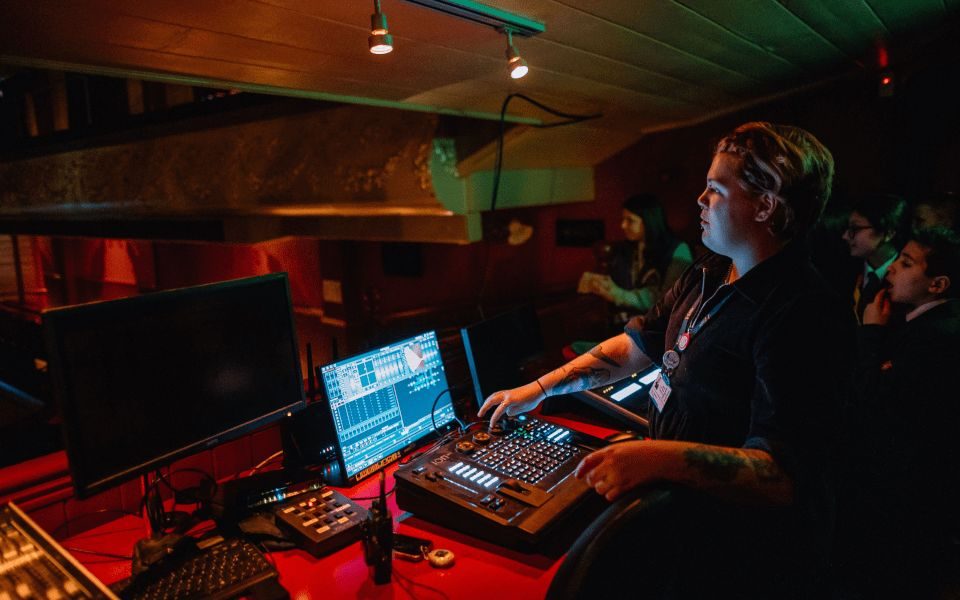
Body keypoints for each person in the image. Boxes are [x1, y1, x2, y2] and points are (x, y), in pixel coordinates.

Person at [480, 122, 855, 597]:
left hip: (750, 559)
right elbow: (637, 345)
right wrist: (538, 388)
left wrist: (656, 458)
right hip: (688, 528)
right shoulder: (711, 268)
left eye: (716, 189)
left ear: (765, 206)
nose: (700, 200)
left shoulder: (805, 313)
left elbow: (781, 475)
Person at [837, 226, 960, 598]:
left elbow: (874, 402)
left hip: (904, 500)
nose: (891, 269)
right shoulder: (916, 322)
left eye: (906, 264)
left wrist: (871, 334)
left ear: (937, 285)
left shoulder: (937, 337)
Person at [582, 194, 693, 317]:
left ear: (649, 221)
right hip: (625, 320)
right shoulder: (629, 248)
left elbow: (666, 299)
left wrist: (618, 295)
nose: (623, 225)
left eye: (630, 220)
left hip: (657, 324)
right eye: (623, 219)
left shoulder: (678, 251)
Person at [841, 193, 907, 322]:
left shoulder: (905, 277)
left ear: (888, 233)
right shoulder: (845, 267)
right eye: (848, 228)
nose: (845, 236)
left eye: (855, 229)